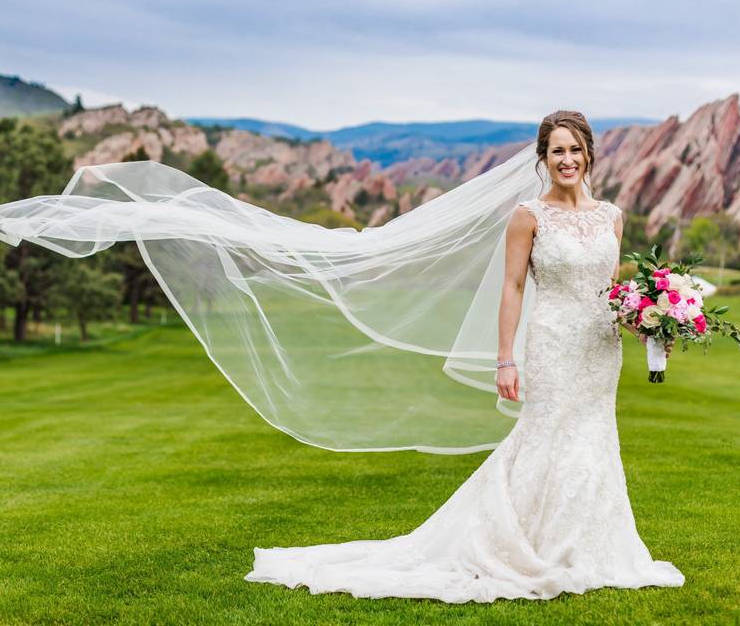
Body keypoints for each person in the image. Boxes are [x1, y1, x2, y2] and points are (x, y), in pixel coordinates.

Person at [243, 111, 685, 602]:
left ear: (589, 155)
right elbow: (513, 287)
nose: (567, 160)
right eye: (557, 150)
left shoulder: (611, 216)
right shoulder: (528, 216)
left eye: (575, 149)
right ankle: (525, 546)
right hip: (553, 344)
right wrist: (505, 359)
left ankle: (588, 546)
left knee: (593, 439)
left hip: (601, 349)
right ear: (543, 158)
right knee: (546, 438)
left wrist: (648, 324)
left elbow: (609, 291)